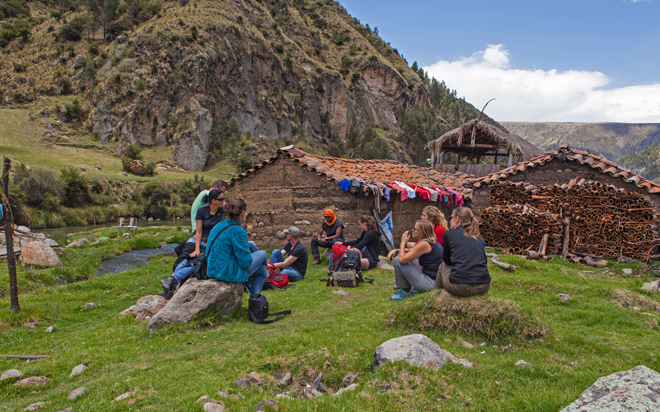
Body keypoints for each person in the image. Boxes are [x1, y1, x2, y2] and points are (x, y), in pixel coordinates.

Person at [160, 189, 226, 297]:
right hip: (197, 239)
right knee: (184, 257)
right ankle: (172, 283)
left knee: (197, 260)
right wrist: (197, 249)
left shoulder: (222, 212)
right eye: (221, 199)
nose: (223, 201)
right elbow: (198, 231)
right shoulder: (202, 211)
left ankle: (172, 282)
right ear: (213, 200)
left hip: (210, 244)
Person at [205, 198, 268, 298]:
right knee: (263, 254)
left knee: (261, 269)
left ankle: (258, 290)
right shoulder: (238, 231)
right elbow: (246, 262)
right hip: (227, 272)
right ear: (243, 212)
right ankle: (255, 301)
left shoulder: (218, 226)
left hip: (212, 269)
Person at [435, 207, 490, 297]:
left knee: (443, 264)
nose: (450, 220)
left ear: (457, 219)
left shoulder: (449, 234)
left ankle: (435, 295)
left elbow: (447, 260)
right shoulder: (479, 238)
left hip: (460, 287)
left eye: (450, 217)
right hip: (483, 286)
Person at [387, 219, 443, 301]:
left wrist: (402, 242)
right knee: (401, 257)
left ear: (421, 232)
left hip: (430, 283)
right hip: (434, 279)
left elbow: (402, 260)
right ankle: (408, 288)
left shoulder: (424, 244)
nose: (412, 230)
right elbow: (414, 251)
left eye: (414, 228)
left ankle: (405, 292)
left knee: (397, 260)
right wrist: (396, 250)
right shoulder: (430, 242)